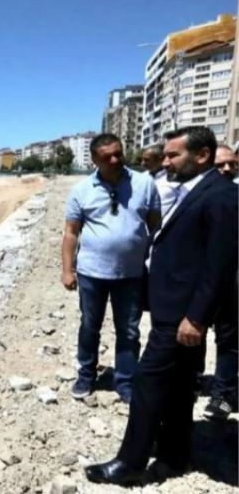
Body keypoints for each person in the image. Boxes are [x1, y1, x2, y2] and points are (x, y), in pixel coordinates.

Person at [85, 126, 238, 486]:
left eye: (173, 155)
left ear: (201, 156)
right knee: (181, 387)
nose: (164, 161)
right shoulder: (200, 189)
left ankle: (131, 463)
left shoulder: (220, 197)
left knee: (148, 384)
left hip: (183, 316)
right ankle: (174, 455)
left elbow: (220, 265)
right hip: (177, 310)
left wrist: (196, 319)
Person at [62, 134, 161, 403]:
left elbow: (155, 225)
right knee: (89, 326)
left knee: (129, 330)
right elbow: (71, 233)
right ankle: (86, 375)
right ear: (95, 160)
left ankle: (125, 381)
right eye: (107, 157)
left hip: (131, 274)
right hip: (91, 273)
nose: (115, 160)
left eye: (119, 153)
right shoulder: (81, 190)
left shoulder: (144, 184)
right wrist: (67, 270)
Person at [202, 143, 239, 420]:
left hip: (231, 282)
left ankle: (223, 394)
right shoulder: (193, 196)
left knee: (229, 339)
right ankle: (192, 380)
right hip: (199, 281)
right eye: (220, 164)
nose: (227, 169)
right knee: (193, 334)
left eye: (231, 164)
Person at [142, 144, 179, 217]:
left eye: (147, 160)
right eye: (142, 160)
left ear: (160, 160)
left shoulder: (175, 180)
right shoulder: (141, 177)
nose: (142, 163)